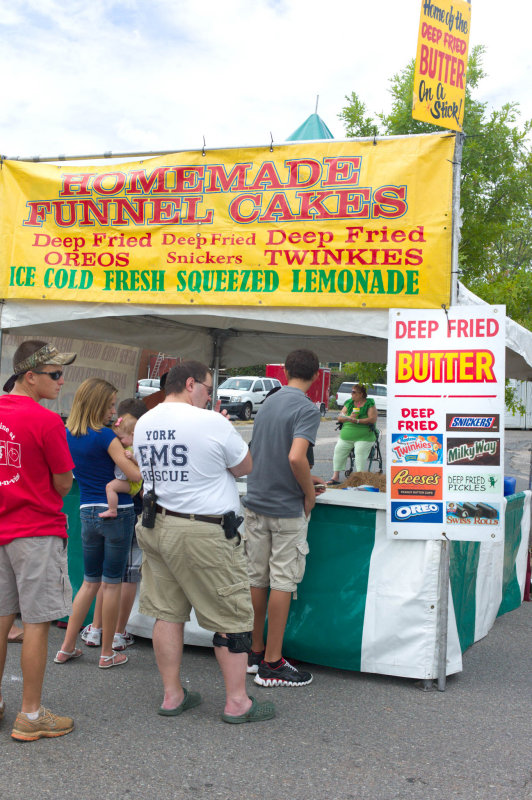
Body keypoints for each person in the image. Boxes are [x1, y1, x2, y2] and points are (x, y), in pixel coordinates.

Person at [133, 361, 274, 723]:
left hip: (155, 523)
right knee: (232, 616)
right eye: (208, 389)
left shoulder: (146, 421)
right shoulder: (212, 421)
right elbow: (244, 467)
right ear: (191, 384)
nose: (211, 396)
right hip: (202, 531)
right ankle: (237, 703)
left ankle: (172, 694)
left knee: (167, 613)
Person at [0, 340, 76, 741]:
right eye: (55, 374)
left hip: (2, 528)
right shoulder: (46, 422)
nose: (62, 381)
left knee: (0, 620)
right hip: (36, 531)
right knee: (36, 623)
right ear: (30, 376)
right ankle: (30, 715)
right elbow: (64, 484)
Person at [242, 349, 325, 687]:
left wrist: (306, 478)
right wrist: (308, 493)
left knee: (256, 578)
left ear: (285, 371)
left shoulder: (268, 403)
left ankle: (255, 651)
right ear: (316, 376)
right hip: (286, 507)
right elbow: (295, 457)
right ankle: (273, 664)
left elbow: (262, 453)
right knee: (282, 581)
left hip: (256, 501)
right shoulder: (307, 408)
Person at [55, 379, 142, 669]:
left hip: (87, 510)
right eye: (110, 405)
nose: (113, 410)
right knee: (112, 582)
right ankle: (107, 653)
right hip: (118, 513)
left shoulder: (68, 434)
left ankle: (66, 647)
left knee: (89, 582)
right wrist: (134, 458)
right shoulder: (106, 437)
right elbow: (134, 476)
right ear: (96, 405)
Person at [82, 398, 147, 651]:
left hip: (106, 510)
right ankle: (119, 632)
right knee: (127, 575)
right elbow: (140, 479)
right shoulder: (136, 443)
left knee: (104, 577)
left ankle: (96, 629)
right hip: (131, 512)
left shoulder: (109, 439)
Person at [327, 384, 378, 485]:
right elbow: (340, 417)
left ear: (361, 394)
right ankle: (335, 477)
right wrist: (349, 417)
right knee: (338, 450)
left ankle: (360, 478)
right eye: (352, 392)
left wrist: (358, 420)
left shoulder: (369, 403)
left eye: (354, 392)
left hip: (364, 436)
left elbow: (372, 419)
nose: (352, 394)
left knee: (360, 453)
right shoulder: (349, 402)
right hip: (347, 436)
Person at [99, 414, 142, 519]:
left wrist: (132, 458)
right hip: (130, 482)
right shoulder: (127, 446)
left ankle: (112, 510)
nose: (118, 441)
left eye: (121, 438)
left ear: (132, 435)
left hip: (133, 484)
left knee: (110, 487)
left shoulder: (136, 449)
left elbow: (142, 465)